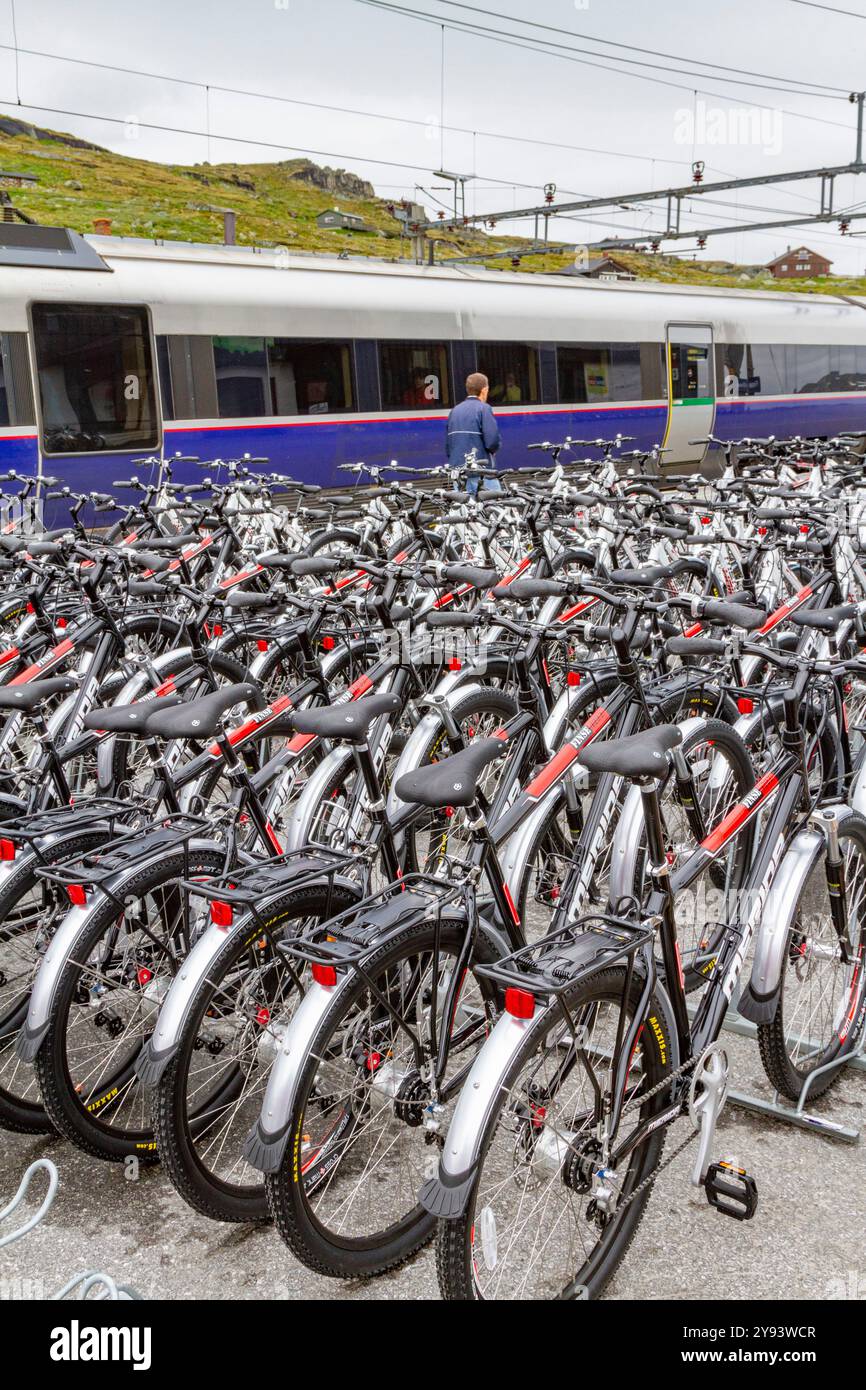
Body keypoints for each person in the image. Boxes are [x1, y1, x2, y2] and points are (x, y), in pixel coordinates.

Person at [445, 372, 502, 493]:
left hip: (459, 472)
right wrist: (494, 450)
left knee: (466, 509)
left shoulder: (455, 410)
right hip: (481, 471)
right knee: (495, 506)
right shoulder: (484, 408)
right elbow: (492, 441)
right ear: (484, 390)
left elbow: (449, 445)